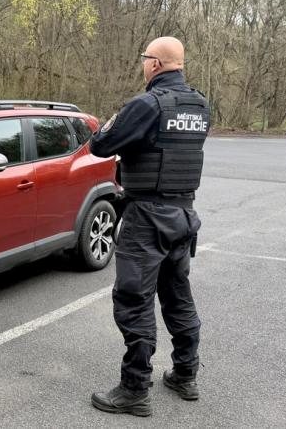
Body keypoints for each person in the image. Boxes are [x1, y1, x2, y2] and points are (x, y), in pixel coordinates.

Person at [87, 36, 211, 416]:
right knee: (177, 295)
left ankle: (134, 388)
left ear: (155, 64)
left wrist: (109, 128)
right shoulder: (200, 105)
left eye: (145, 59)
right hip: (184, 215)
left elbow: (101, 145)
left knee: (134, 299)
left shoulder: (147, 104)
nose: (143, 64)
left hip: (147, 217)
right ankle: (185, 374)